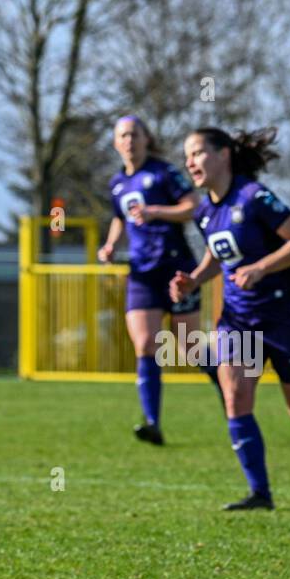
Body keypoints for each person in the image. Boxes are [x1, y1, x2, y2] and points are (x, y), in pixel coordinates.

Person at [171, 127, 290, 511]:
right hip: (238, 320)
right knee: (236, 397)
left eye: (198, 153)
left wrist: (261, 268)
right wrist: (193, 280)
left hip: (282, 315)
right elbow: (217, 256)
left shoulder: (254, 197)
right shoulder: (204, 210)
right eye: (187, 156)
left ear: (223, 155)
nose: (190, 162)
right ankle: (260, 494)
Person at [99, 115, 218, 445]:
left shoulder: (163, 173)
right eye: (122, 135)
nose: (129, 140)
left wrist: (155, 212)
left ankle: (227, 384)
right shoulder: (117, 184)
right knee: (145, 344)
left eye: (135, 134)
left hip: (175, 269)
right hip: (141, 274)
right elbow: (120, 219)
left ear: (146, 139)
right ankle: (152, 422)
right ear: (115, 142)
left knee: (191, 349)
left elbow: (192, 205)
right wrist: (110, 245)